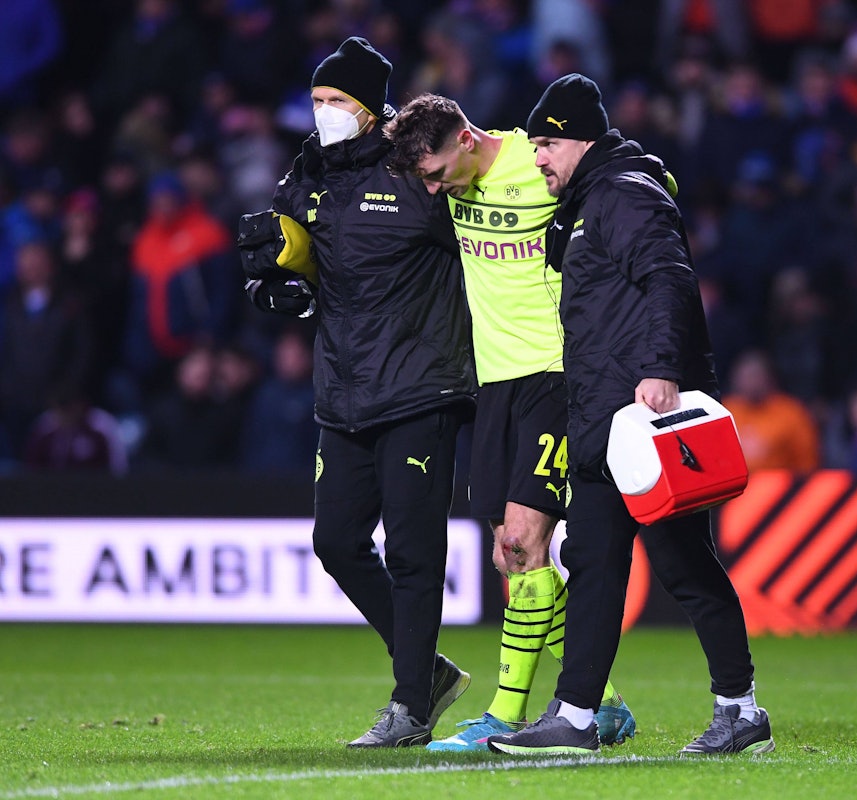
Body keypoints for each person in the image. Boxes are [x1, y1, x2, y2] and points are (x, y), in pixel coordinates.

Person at [485, 73, 773, 756]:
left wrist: (661, 369)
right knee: (591, 562)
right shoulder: (588, 204)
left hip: (644, 417)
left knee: (683, 567)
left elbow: (669, 277)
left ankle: (740, 710)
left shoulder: (623, 194)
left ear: (581, 140)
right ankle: (576, 719)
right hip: (601, 420)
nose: (538, 160)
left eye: (546, 145)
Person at [238, 37, 476, 748]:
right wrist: (280, 289)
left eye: (337, 101)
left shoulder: (419, 170)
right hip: (343, 388)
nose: (323, 113)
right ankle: (427, 672)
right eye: (316, 100)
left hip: (420, 383)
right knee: (337, 542)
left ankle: (409, 707)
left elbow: (484, 254)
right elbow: (294, 264)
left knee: (411, 550)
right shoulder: (307, 174)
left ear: (374, 111)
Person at [384, 94, 636, 751]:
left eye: (437, 172)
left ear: (467, 138)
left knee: (525, 541)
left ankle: (506, 714)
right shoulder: (449, 181)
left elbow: (622, 188)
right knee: (510, 555)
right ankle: (602, 705)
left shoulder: (538, 158)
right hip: (492, 381)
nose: (434, 188)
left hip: (557, 373)